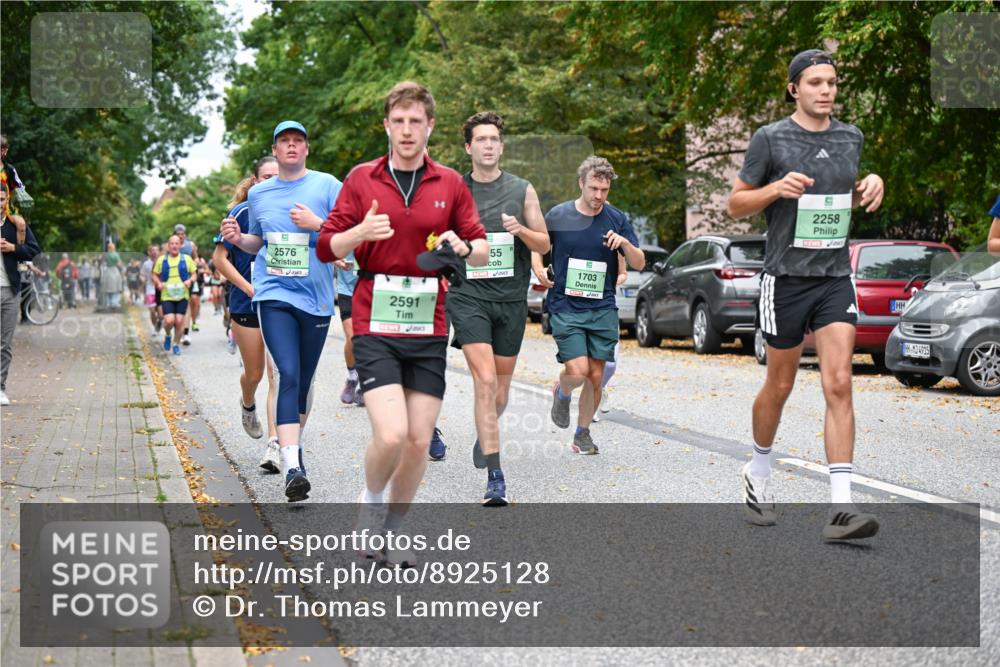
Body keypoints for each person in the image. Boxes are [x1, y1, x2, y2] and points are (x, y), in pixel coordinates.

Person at [318, 81, 486, 561]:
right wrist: (359, 231)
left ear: (430, 126)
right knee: (391, 433)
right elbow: (326, 246)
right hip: (375, 320)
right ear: (386, 126)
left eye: (416, 121)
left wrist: (462, 245)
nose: (407, 130)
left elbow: (482, 248)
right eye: (399, 121)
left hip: (428, 324)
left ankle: (391, 534)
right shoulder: (362, 179)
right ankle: (370, 504)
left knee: (417, 442)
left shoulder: (450, 183)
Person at [726, 49, 885, 540]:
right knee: (780, 385)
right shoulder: (770, 138)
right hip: (785, 279)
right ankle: (758, 469)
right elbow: (736, 204)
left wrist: (869, 185)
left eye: (832, 82)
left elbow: (841, 194)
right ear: (794, 88)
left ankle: (841, 508)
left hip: (834, 276)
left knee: (839, 382)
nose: (826, 90)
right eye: (815, 82)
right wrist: (775, 189)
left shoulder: (850, 137)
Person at [221, 120, 342, 502]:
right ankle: (292, 465)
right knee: (286, 372)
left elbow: (347, 236)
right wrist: (240, 239)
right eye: (284, 141)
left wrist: (317, 225)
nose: (291, 146)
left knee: (302, 381)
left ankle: (293, 448)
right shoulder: (259, 195)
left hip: (316, 297)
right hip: (273, 293)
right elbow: (259, 242)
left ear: (306, 148)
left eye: (298, 141)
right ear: (275, 150)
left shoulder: (327, 186)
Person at [446, 111, 550, 505]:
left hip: (510, 299)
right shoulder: (454, 189)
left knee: (500, 393)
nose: (488, 145)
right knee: (486, 381)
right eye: (481, 139)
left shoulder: (522, 190)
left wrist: (520, 230)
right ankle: (496, 476)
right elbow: (433, 236)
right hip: (468, 297)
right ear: (468, 147)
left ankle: (484, 431)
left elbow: (544, 244)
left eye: (494, 139)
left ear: (501, 147)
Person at [535, 156, 644, 455]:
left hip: (602, 306)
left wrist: (625, 243)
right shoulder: (559, 215)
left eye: (604, 190)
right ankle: (562, 391)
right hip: (565, 305)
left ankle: (582, 434)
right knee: (578, 370)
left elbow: (639, 262)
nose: (598, 195)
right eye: (594, 188)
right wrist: (539, 269)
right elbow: (537, 247)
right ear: (581, 183)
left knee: (596, 375)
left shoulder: (616, 218)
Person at [214, 156, 282, 473]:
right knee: (254, 374)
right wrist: (247, 287)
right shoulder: (240, 213)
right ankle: (247, 403)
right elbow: (220, 259)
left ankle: (274, 445)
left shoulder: (290, 210)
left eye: (277, 175)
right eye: (266, 176)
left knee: (277, 374)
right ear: (255, 181)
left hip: (279, 302)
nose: (272, 181)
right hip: (247, 302)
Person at [0, 185, 41, 405]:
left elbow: (34, 250)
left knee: (4, 343)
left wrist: (13, 248)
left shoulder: (16, 225)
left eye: (1, 199)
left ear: (7, 200)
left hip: (10, 290)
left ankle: (0, 387)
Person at [152, 235, 196, 355]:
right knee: (169, 320)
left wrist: (190, 280)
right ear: (168, 246)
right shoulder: (162, 260)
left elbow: (194, 274)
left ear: (180, 245)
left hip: (182, 295)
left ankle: (176, 343)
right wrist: (158, 283)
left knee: (179, 321)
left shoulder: (186, 259)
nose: (174, 246)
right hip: (167, 295)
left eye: (177, 243)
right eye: (172, 244)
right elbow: (154, 274)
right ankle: (167, 335)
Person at [334, 251, 365, 407]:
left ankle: (366, 382)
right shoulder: (344, 232)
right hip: (347, 290)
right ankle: (352, 377)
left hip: (372, 290)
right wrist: (335, 259)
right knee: (353, 337)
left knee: (370, 340)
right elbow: (327, 246)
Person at [174, 224, 200, 344]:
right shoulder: (172, 246)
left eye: (182, 234)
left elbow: (196, 258)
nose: (180, 236)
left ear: (185, 235)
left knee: (189, 303)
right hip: (174, 281)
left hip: (188, 279)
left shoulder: (191, 245)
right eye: (178, 234)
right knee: (176, 306)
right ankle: (177, 330)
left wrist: (193, 264)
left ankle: (185, 333)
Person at [140, 245, 162, 333]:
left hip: (160, 288)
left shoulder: (162, 262)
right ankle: (155, 327)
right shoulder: (146, 264)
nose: (155, 252)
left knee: (161, 313)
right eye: (153, 250)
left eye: (156, 250)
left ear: (159, 252)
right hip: (150, 289)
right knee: (152, 311)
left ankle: (160, 321)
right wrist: (143, 279)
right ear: (149, 252)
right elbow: (142, 275)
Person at [102, 241, 123, 309]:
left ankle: (108, 303)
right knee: (116, 287)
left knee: (107, 288)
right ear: (113, 248)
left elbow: (103, 262)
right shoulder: (116, 255)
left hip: (107, 271)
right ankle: (114, 303)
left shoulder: (106, 255)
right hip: (114, 271)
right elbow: (119, 264)